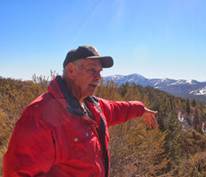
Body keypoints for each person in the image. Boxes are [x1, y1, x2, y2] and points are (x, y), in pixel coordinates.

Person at [3, 45, 158, 177]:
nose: (98, 77)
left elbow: (118, 109)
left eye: (100, 72)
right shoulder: (39, 115)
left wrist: (141, 109)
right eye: (92, 70)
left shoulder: (92, 105)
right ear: (71, 70)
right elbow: (17, 172)